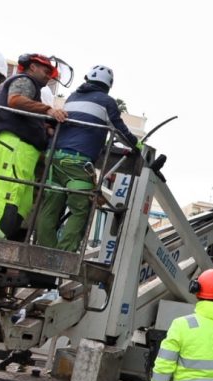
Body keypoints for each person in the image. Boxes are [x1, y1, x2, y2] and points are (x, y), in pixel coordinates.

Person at [34, 65, 138, 251]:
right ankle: (62, 254)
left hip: (53, 158)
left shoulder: (73, 97)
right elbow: (120, 129)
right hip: (75, 161)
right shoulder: (107, 101)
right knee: (81, 209)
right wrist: (136, 145)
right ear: (108, 85)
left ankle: (45, 251)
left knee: (50, 208)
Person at [0, 54, 67, 240]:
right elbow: (15, 101)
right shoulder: (25, 81)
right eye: (46, 70)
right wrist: (48, 110)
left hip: (19, 151)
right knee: (7, 193)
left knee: (21, 201)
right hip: (10, 146)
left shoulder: (34, 92)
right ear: (32, 67)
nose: (49, 75)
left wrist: (45, 128)